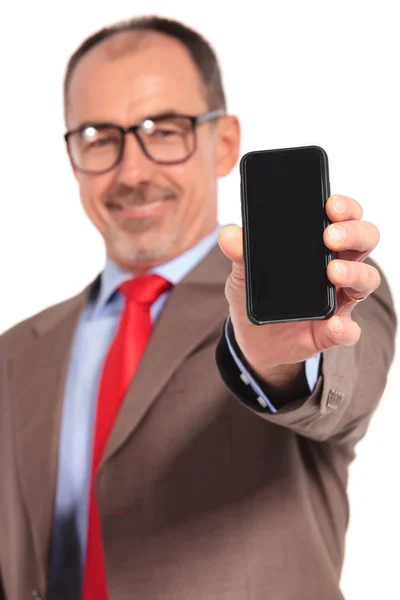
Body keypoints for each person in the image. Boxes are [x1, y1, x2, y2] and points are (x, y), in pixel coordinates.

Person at [0, 15, 396, 600]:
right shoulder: (14, 354)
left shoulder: (325, 293)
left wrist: (272, 363)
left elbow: (343, 392)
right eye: (99, 137)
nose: (131, 172)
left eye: (164, 129)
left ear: (225, 143)